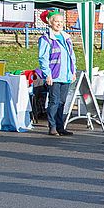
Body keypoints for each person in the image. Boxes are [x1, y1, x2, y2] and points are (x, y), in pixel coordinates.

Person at [37, 8, 77, 136]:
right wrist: (47, 74)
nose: (59, 24)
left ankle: (60, 126)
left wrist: (73, 71)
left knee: (62, 102)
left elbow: (72, 56)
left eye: (61, 21)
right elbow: (43, 58)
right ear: (50, 23)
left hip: (66, 75)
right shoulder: (46, 38)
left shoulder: (66, 38)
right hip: (54, 75)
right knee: (54, 101)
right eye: (56, 21)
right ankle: (52, 126)